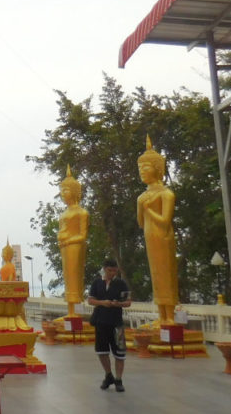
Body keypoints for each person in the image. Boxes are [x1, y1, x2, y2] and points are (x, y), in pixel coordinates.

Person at [137, 136, 179, 325]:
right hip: (150, 237)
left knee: (166, 273)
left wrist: (149, 210)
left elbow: (164, 221)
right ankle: (161, 315)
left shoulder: (166, 194)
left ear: (157, 168)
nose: (142, 172)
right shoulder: (142, 197)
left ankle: (170, 316)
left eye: (145, 167)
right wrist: (142, 208)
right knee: (155, 275)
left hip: (163, 237)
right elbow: (140, 223)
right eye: (140, 168)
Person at [87, 259, 131, 392]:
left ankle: (119, 379)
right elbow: (90, 300)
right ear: (105, 269)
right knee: (102, 351)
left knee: (120, 352)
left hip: (117, 323)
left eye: (114, 270)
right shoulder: (97, 282)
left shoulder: (121, 283)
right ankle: (108, 374)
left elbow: (128, 302)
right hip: (101, 322)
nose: (112, 273)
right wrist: (102, 303)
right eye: (110, 270)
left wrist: (118, 304)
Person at [57, 166, 89, 317]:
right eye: (62, 190)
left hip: (74, 246)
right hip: (65, 247)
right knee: (68, 279)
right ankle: (70, 311)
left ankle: (76, 312)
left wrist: (68, 240)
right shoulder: (64, 214)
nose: (63, 194)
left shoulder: (81, 212)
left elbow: (82, 235)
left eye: (66, 190)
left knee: (75, 278)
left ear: (75, 191)